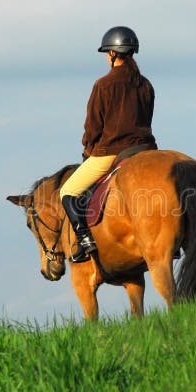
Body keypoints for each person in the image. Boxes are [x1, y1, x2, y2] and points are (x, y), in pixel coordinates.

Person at [59, 26, 158, 263]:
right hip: (146, 150)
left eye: (107, 53)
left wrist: (88, 148)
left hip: (111, 152)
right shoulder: (146, 85)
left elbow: (93, 126)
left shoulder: (103, 84)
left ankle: (84, 239)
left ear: (112, 54)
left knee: (67, 191)